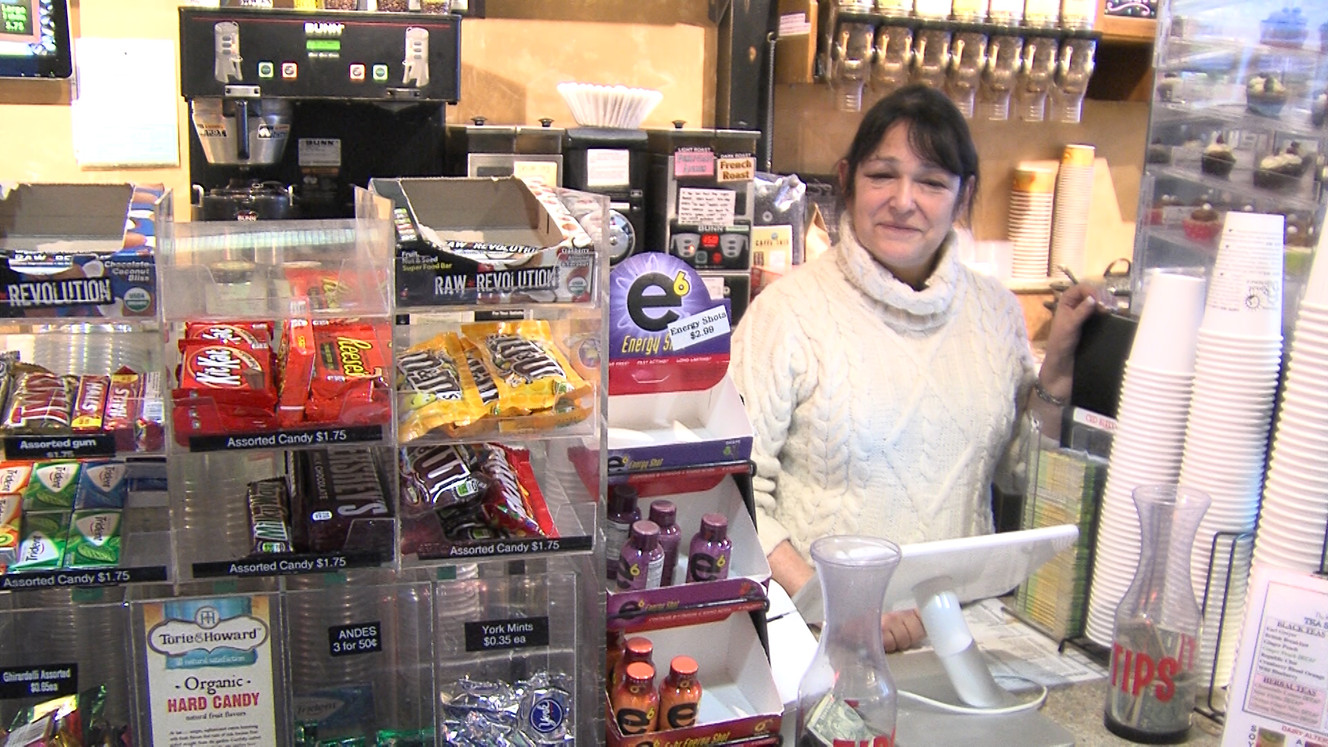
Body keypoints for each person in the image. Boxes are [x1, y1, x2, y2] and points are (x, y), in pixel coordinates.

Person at [730, 83, 1103, 652]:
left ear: (964, 194)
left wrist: (1055, 373)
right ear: (848, 180)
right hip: (822, 638)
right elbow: (735, 490)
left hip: (968, 635)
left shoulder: (996, 312)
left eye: (931, 182)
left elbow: (1021, 478)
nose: (904, 200)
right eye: (883, 175)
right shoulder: (786, 313)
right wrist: (833, 609)